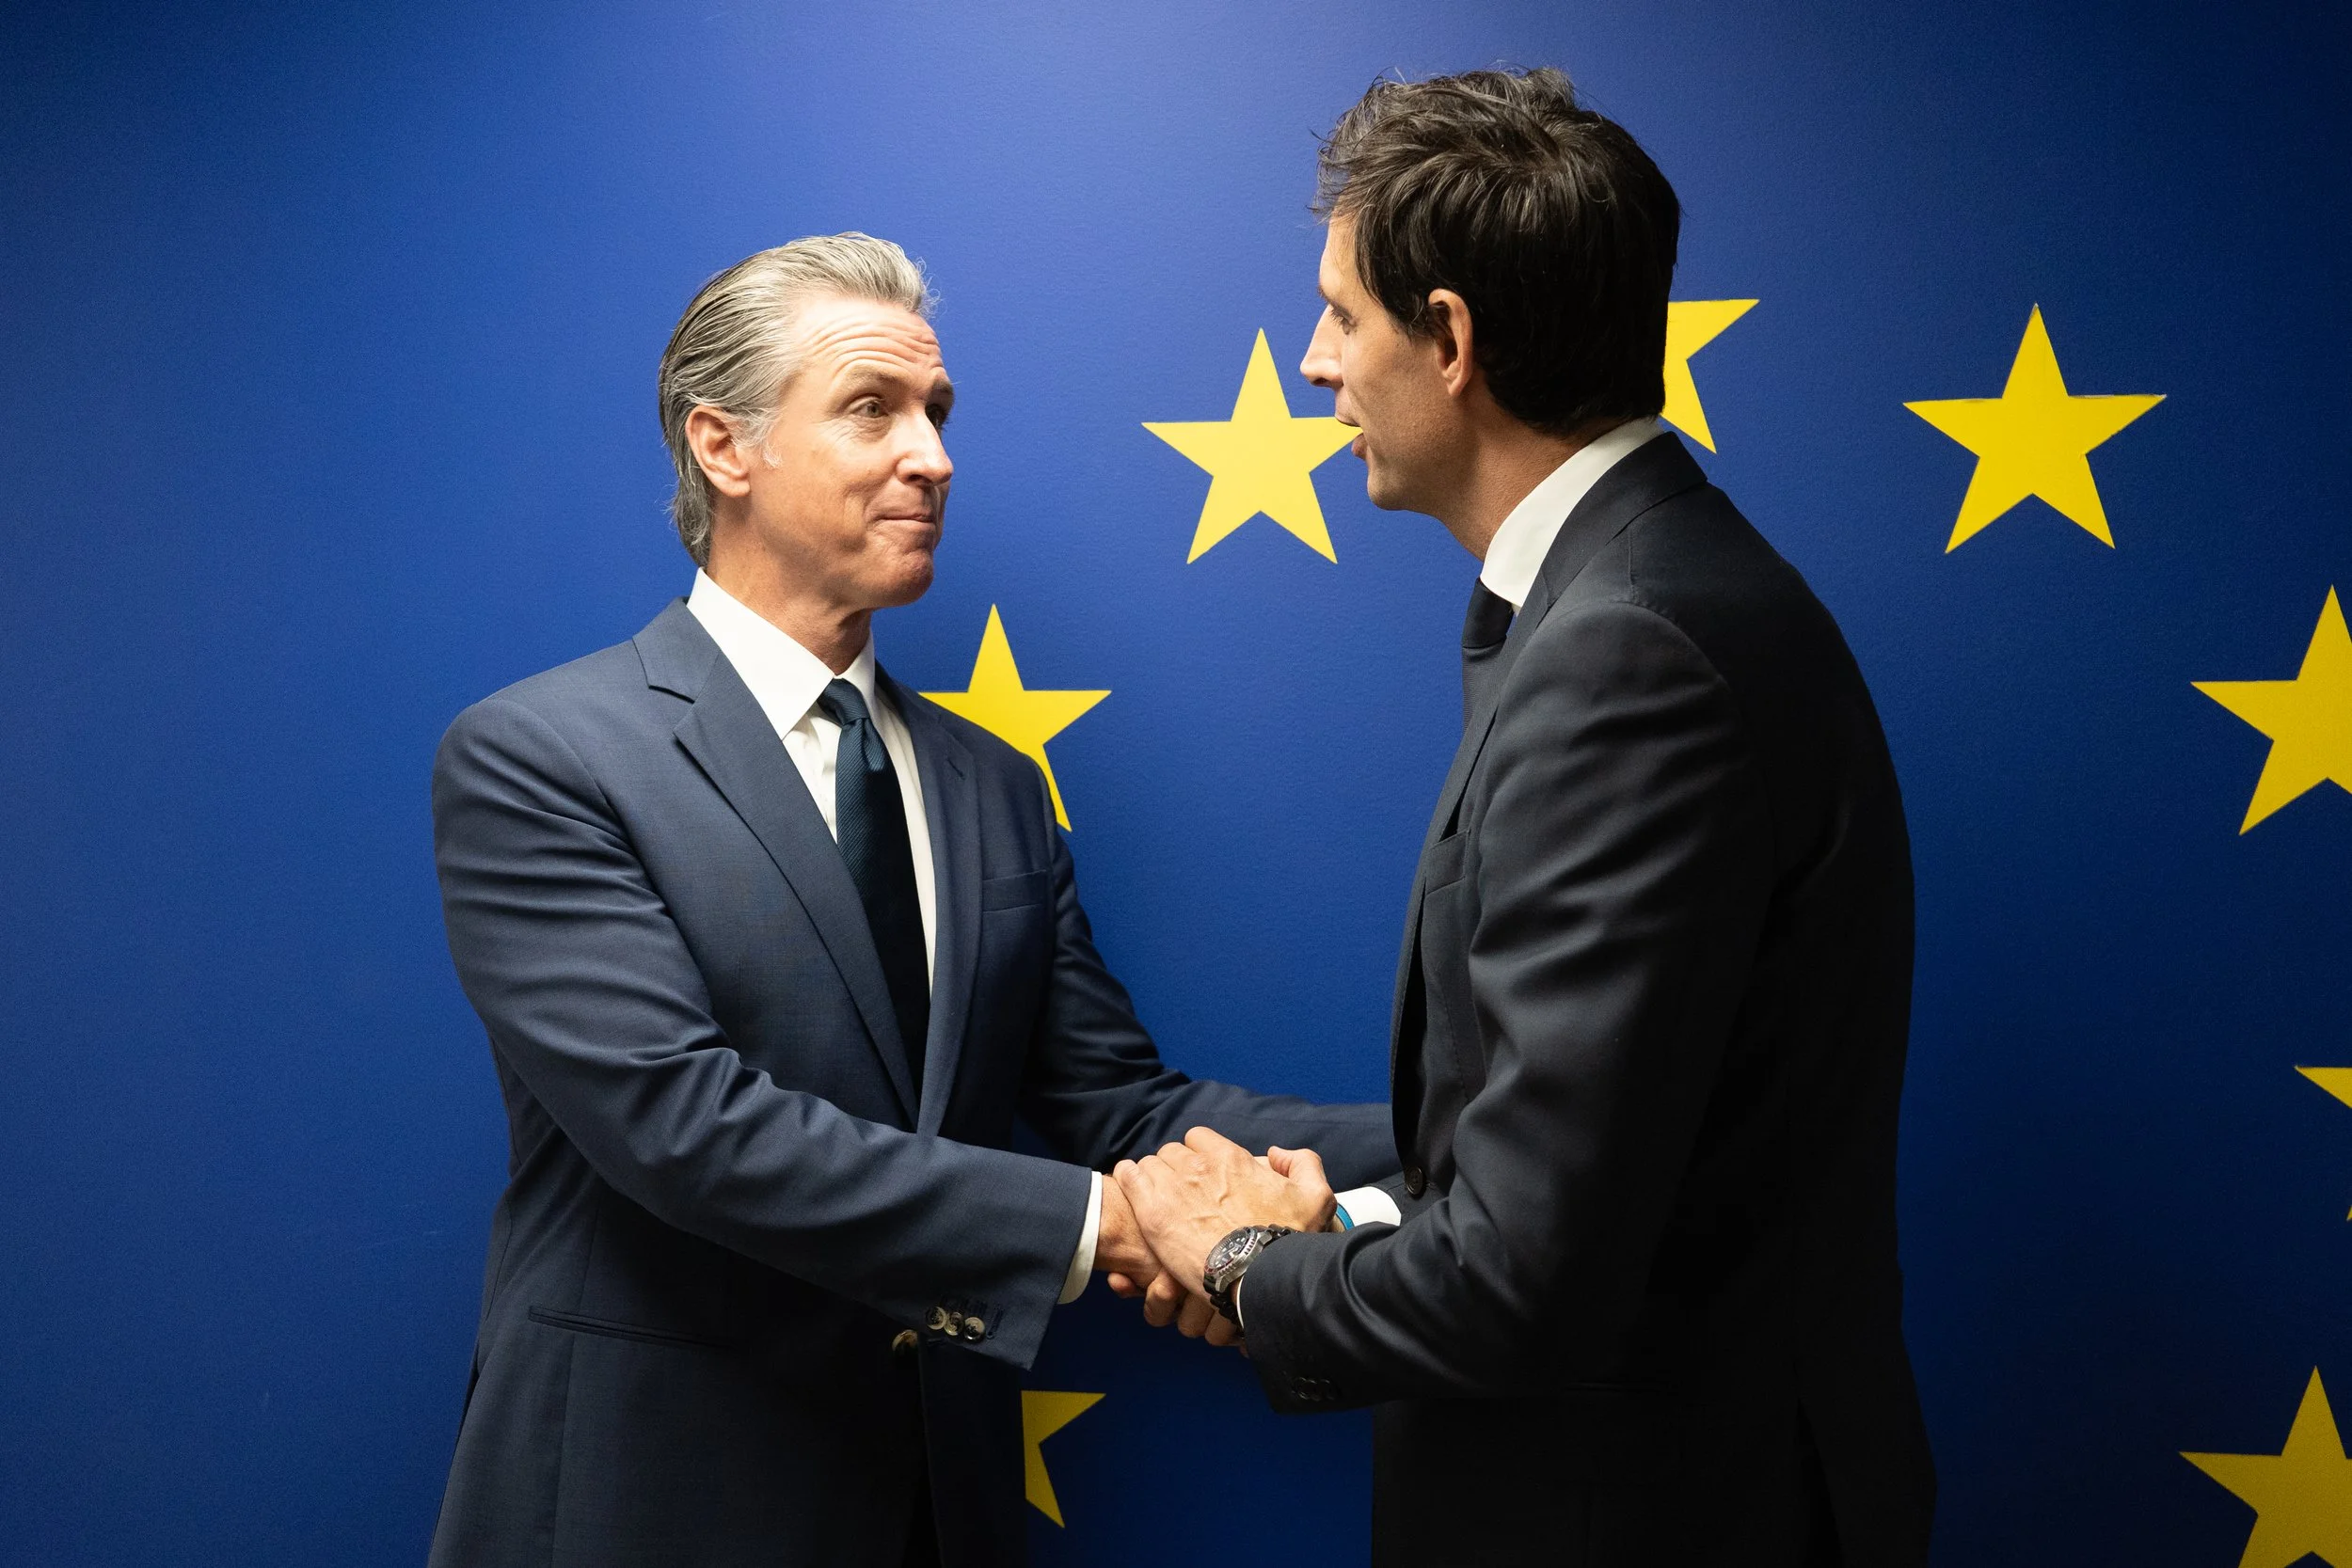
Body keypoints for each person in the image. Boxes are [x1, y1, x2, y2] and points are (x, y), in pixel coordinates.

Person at [424, 233, 1394, 1568]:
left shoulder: (991, 785)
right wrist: (1113, 1222)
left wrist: (1475, 1132)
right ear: (723, 446)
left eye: (936, 414)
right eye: (872, 409)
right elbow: (683, 1126)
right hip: (642, 1498)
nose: (932, 458)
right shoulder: (542, 755)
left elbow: (1122, 1109)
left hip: (938, 1506)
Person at [1116, 69, 1935, 1567]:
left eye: (1341, 317)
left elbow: (1525, 1276)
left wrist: (1236, 1258)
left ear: (1451, 340)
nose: (1313, 366)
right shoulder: (1663, 588)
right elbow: (1614, 1145)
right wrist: (1346, 1205)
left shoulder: (1631, 652)